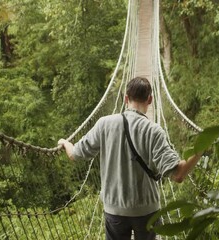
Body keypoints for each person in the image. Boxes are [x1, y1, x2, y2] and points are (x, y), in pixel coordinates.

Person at [57, 77, 202, 240]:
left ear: (126, 98)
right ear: (150, 99)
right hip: (147, 211)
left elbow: (75, 154)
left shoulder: (104, 124)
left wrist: (65, 142)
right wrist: (201, 147)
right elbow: (178, 174)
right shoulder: (154, 131)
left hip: (115, 210)